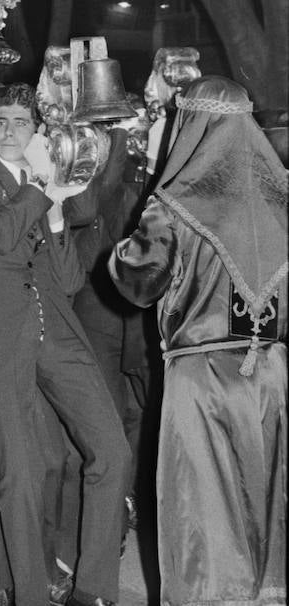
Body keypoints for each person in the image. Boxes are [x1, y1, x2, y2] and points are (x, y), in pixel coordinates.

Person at [0, 83, 130, 606]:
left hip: (56, 328)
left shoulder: (43, 188)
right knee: (18, 471)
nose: (9, 131)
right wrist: (42, 185)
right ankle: (29, 595)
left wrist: (58, 213)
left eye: (20, 122)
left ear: (38, 131)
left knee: (110, 447)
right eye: (1, 123)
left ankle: (94, 588)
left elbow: (65, 280)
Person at [110, 76, 287, 606]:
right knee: (269, 500)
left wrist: (119, 251)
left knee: (205, 511)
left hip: (203, 378)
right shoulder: (283, 197)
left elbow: (138, 282)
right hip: (276, 373)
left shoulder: (172, 204)